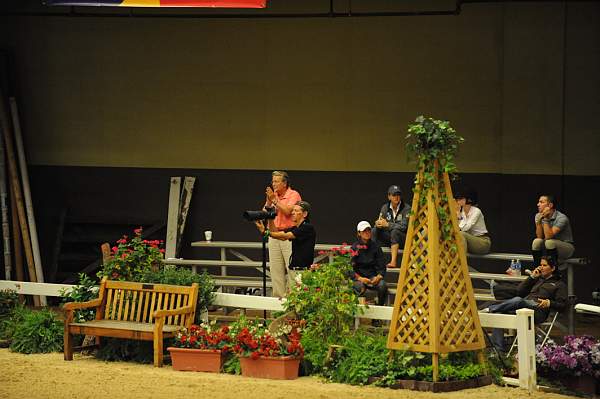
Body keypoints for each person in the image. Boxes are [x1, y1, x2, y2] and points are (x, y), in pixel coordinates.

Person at [483, 256, 567, 352]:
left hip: (538, 311)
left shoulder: (559, 285)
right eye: (541, 265)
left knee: (519, 300)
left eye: (545, 265)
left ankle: (489, 309)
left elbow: (563, 306)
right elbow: (519, 291)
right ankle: (498, 350)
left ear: (553, 268)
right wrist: (532, 277)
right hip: (523, 308)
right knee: (499, 314)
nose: (541, 267)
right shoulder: (537, 279)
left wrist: (549, 303)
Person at [255, 201, 316, 293]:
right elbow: (277, 233)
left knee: (301, 301)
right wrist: (271, 219)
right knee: (293, 301)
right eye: (293, 210)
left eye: (296, 210)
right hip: (293, 271)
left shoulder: (307, 228)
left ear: (304, 214)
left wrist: (265, 232)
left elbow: (285, 236)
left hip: (303, 272)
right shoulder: (296, 228)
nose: (292, 213)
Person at [262, 170, 302, 297]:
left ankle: (292, 303)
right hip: (274, 235)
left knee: (291, 270)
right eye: (272, 181)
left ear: (284, 183)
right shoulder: (274, 195)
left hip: (288, 235)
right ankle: (278, 306)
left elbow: (287, 211)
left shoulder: (293, 195)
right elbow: (264, 213)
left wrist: (274, 200)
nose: (273, 184)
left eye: (276, 181)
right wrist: (269, 201)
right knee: (275, 271)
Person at [351, 221, 387, 306]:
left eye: (369, 230)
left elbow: (382, 266)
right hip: (359, 278)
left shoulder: (376, 247)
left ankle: (379, 310)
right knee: (358, 287)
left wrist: (378, 277)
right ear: (359, 233)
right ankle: (357, 316)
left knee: (382, 286)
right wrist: (360, 278)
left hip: (373, 277)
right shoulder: (354, 248)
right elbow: (349, 268)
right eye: (364, 231)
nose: (367, 233)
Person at [532, 194, 574, 267]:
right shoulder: (538, 215)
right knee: (536, 241)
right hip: (549, 246)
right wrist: (538, 222)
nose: (538, 204)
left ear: (550, 205)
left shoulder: (562, 218)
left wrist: (545, 219)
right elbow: (539, 236)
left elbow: (548, 236)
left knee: (549, 242)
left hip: (566, 248)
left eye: (541, 202)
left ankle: (554, 271)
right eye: (538, 202)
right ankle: (537, 269)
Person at [373, 185, 410, 268]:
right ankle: (371, 257)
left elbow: (404, 227)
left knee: (395, 231)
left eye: (398, 195)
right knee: (374, 230)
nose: (396, 197)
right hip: (390, 239)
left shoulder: (407, 208)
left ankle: (393, 261)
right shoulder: (385, 207)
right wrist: (378, 224)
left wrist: (388, 224)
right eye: (394, 195)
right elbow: (381, 221)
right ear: (389, 196)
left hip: (403, 239)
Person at [455, 190, 491, 255]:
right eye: (457, 199)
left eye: (461, 198)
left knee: (461, 234)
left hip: (483, 242)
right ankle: (461, 263)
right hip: (469, 242)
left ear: (468, 199)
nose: (458, 200)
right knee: (458, 236)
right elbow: (457, 229)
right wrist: (458, 215)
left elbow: (465, 228)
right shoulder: (462, 212)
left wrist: (459, 218)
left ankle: (463, 263)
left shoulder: (476, 211)